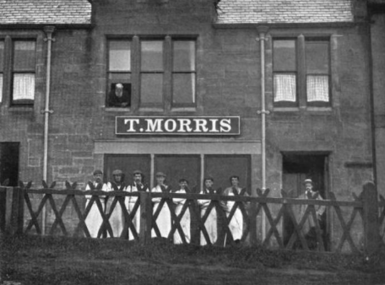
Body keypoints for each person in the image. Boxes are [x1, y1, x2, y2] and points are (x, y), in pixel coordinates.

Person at [295, 178, 326, 249]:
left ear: (312, 186)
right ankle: (305, 249)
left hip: (313, 217)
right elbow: (297, 208)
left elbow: (323, 204)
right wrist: (299, 217)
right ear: (305, 187)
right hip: (304, 218)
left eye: (309, 185)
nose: (308, 187)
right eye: (306, 185)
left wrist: (319, 212)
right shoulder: (301, 196)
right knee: (304, 233)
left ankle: (315, 249)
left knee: (314, 233)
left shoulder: (316, 195)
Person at [125, 170, 149, 240]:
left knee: (140, 221)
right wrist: (127, 208)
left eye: (139, 176)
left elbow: (147, 199)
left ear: (141, 178)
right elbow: (126, 198)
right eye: (136, 176)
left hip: (141, 207)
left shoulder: (145, 187)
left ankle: (140, 237)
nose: (137, 178)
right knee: (132, 222)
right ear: (133, 178)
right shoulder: (130, 187)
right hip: (132, 206)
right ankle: (132, 238)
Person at [84, 170, 108, 238]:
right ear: (93, 177)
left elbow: (104, 195)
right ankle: (88, 236)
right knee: (89, 220)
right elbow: (87, 195)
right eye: (96, 175)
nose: (98, 177)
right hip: (90, 205)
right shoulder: (89, 185)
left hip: (100, 204)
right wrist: (97, 194)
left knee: (99, 220)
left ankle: (98, 236)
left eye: (99, 176)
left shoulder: (104, 185)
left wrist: (94, 194)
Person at [223, 175, 246, 243]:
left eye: (235, 180)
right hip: (229, 210)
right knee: (232, 224)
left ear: (238, 181)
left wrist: (243, 206)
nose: (234, 182)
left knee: (239, 224)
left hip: (238, 210)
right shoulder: (227, 190)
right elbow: (221, 199)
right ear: (231, 182)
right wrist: (225, 207)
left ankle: (238, 241)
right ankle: (232, 240)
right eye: (232, 180)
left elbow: (247, 200)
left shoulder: (241, 190)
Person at [105, 169, 126, 238]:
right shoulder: (109, 184)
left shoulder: (123, 185)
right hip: (111, 204)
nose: (118, 177)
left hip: (120, 205)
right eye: (116, 176)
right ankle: (110, 236)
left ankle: (119, 236)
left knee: (120, 220)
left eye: (119, 176)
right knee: (112, 219)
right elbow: (108, 192)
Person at [151, 172, 172, 238]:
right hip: (157, 207)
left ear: (164, 179)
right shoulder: (154, 189)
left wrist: (159, 198)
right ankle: (155, 237)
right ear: (156, 179)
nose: (160, 179)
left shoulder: (168, 188)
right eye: (158, 178)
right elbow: (153, 199)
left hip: (165, 208)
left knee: (165, 224)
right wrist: (162, 198)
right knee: (157, 222)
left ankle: (166, 237)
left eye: (161, 178)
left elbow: (169, 198)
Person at [198, 177, 217, 245]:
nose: (208, 184)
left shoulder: (215, 192)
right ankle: (203, 244)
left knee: (213, 227)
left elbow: (216, 201)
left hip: (212, 211)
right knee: (205, 226)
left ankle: (212, 243)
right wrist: (208, 200)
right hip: (204, 210)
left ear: (212, 183)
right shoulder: (202, 192)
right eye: (206, 182)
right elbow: (200, 202)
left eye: (209, 182)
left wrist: (206, 201)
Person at [173, 179, 191, 244]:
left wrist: (185, 197)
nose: (183, 185)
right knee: (177, 224)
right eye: (182, 183)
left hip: (186, 209)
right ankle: (177, 242)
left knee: (186, 225)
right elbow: (174, 200)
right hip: (179, 208)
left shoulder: (189, 192)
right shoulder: (177, 192)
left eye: (185, 183)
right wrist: (185, 197)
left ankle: (186, 241)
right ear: (179, 184)